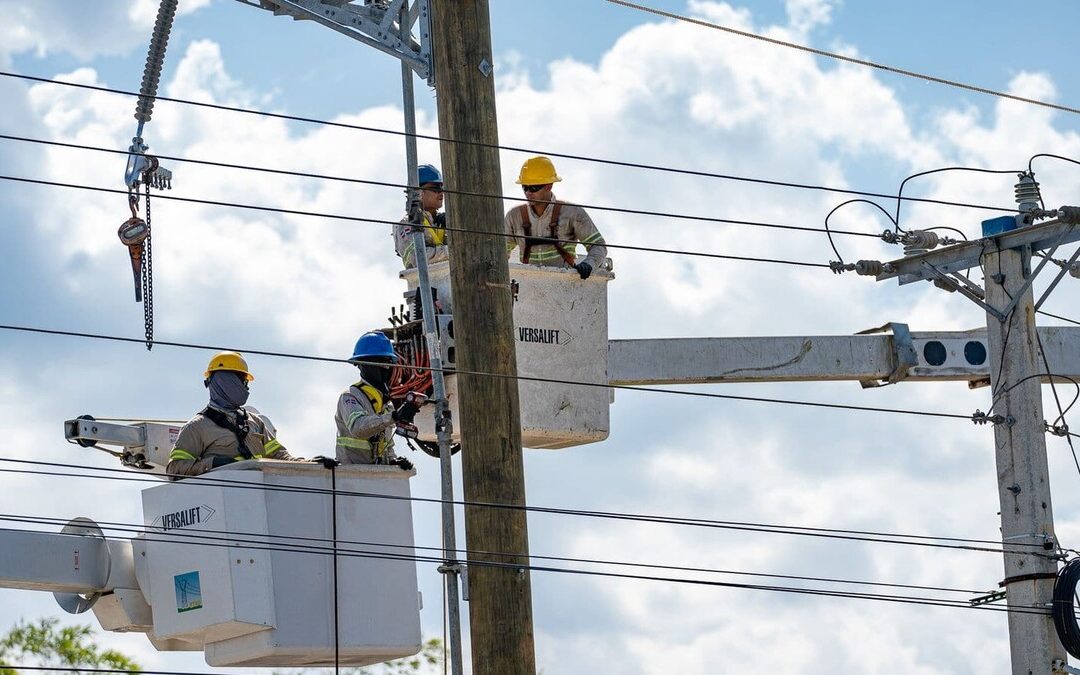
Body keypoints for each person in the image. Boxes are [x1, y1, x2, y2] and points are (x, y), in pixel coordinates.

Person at [167, 351, 296, 479]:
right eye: (243, 382)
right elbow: (175, 468)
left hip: (260, 492)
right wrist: (212, 463)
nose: (247, 388)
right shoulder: (197, 427)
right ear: (226, 381)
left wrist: (308, 463)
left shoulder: (255, 421)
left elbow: (278, 455)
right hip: (229, 495)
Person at [504, 156, 607, 279]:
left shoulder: (572, 213)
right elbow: (500, 250)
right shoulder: (514, 216)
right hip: (528, 285)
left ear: (549, 186)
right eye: (525, 187)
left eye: (534, 188)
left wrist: (588, 264)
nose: (528, 192)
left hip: (564, 284)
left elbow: (598, 245)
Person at [335, 331, 418, 469]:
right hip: (351, 476)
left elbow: (385, 442)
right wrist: (393, 417)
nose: (386, 368)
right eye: (382, 362)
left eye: (388, 363)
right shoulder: (350, 397)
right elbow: (358, 428)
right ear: (363, 364)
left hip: (377, 477)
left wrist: (392, 460)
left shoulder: (385, 404)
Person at [394, 164, 448, 269]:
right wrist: (456, 250)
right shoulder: (407, 224)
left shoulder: (443, 222)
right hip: (425, 283)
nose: (441, 192)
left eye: (442, 187)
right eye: (435, 188)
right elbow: (419, 258)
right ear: (419, 192)